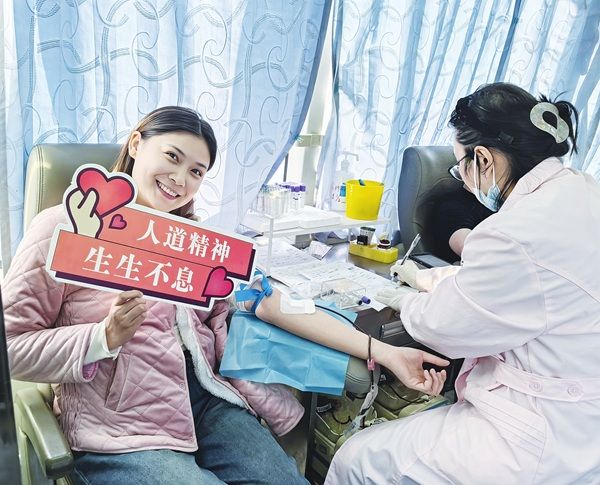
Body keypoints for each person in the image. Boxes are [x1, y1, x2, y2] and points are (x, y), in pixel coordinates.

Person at [3, 106, 310, 485]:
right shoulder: (64, 227)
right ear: (136, 144)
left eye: (196, 171)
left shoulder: (193, 241)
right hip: (118, 421)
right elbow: (10, 346)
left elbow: (213, 320)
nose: (180, 179)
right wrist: (103, 337)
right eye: (172, 157)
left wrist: (235, 294)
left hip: (205, 399)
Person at [322, 82, 600, 483]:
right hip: (584, 418)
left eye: (460, 167)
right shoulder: (582, 191)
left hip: (540, 431)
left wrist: (406, 298)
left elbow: (443, 326)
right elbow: (534, 286)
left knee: (358, 459)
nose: (463, 180)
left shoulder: (512, 232)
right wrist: (440, 280)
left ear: (482, 158)